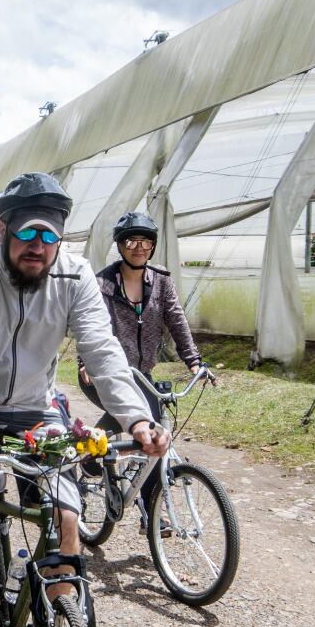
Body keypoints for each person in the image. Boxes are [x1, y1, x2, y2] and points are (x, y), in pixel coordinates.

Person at [0, 173, 168, 594]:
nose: (37, 246)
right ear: (3, 229)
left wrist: (136, 419)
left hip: (36, 407)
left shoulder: (75, 277)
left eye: (49, 235)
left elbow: (102, 351)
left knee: (65, 513)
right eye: (26, 232)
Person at [77, 210, 211, 520]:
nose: (140, 247)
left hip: (141, 373)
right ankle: (90, 454)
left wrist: (193, 361)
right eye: (132, 241)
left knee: (151, 434)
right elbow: (90, 326)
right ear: (120, 245)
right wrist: (86, 363)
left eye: (146, 241)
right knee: (139, 421)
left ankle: (150, 511)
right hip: (103, 372)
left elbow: (177, 320)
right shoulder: (102, 284)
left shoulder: (161, 280)